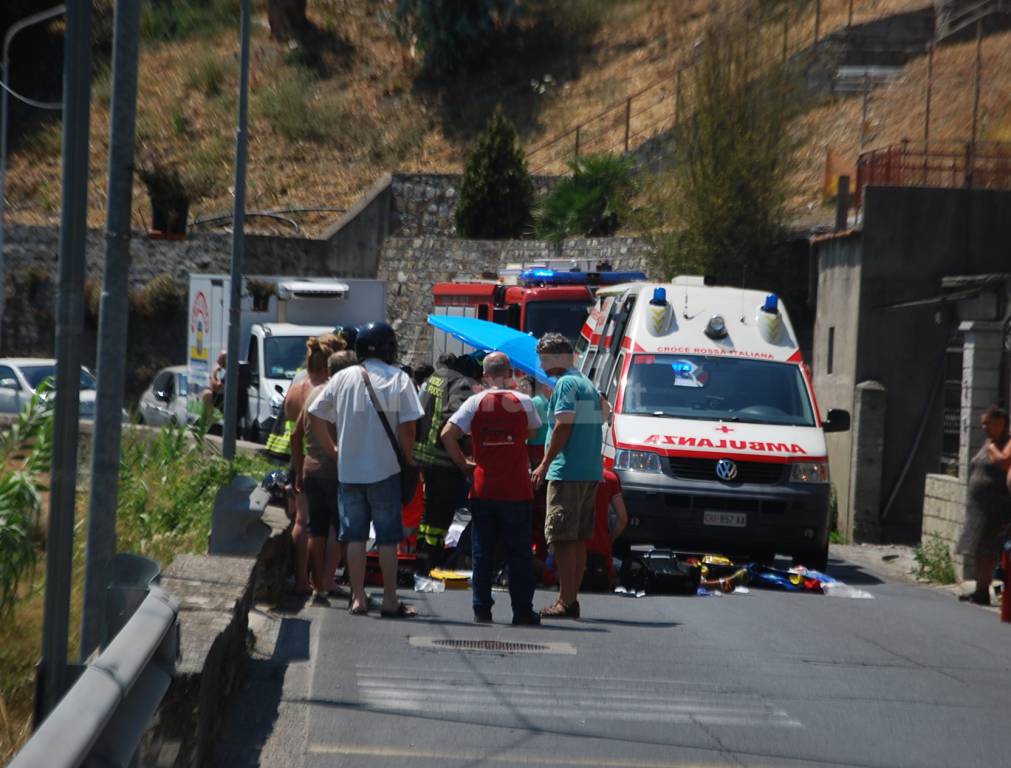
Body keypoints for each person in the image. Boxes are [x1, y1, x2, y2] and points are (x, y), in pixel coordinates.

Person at [308, 322, 424, 617]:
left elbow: (316, 414)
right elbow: (409, 426)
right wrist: (408, 458)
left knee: (355, 536)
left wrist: (334, 450)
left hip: (349, 471)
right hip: (386, 469)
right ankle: (388, 599)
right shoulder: (399, 378)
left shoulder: (343, 377)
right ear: (388, 348)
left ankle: (358, 598)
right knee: (387, 537)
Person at [441, 352, 543, 625]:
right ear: (510, 374)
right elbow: (534, 432)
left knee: (482, 551)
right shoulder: (523, 401)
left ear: (485, 376)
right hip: (516, 488)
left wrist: (464, 464)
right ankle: (522, 610)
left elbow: (447, 434)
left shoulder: (475, 402)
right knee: (519, 553)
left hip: (483, 487)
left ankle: (481, 608)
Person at [530, 333, 603, 619]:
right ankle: (571, 599)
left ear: (560, 357)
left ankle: (565, 600)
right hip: (588, 471)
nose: (542, 364)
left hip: (567, 469)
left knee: (561, 537)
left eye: (545, 358)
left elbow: (563, 425)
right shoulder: (587, 384)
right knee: (577, 538)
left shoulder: (565, 384)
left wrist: (544, 464)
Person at [278, 333, 345, 595]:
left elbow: (294, 432)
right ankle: (326, 579)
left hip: (301, 462)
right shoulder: (327, 391)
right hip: (328, 463)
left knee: (301, 521)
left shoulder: (296, 390)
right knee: (329, 526)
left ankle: (302, 580)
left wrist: (297, 467)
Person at [292, 349, 357, 605]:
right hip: (338, 471)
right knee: (343, 530)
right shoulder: (344, 396)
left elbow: (295, 435)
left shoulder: (313, 394)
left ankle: (318, 587)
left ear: (329, 370)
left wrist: (298, 470)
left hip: (311, 469)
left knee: (316, 529)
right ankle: (332, 580)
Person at [414, 353, 481, 568]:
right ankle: (431, 558)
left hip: (425, 456)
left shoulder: (436, 377)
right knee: (441, 515)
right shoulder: (461, 384)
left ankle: (423, 555)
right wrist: (465, 458)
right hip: (444, 460)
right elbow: (457, 421)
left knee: (430, 512)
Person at [956, 405, 1011, 605]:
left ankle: (983, 592)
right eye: (983, 424)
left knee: (988, 550)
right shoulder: (990, 442)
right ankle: (980, 590)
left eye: (988, 423)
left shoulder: (1005, 443)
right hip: (979, 508)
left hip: (996, 507)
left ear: (1001, 423)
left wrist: (992, 448)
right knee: (980, 550)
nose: (984, 428)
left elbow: (1005, 463)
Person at [519, 375, 551, 565]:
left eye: (523, 386)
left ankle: (534, 553)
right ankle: (543, 553)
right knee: (543, 508)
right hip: (544, 454)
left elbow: (528, 432)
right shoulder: (547, 403)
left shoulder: (533, 403)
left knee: (533, 507)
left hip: (533, 455)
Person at [584, 469, 628, 590]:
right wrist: (609, 540)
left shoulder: (571, 472)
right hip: (601, 552)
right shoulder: (610, 478)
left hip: (574, 550)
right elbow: (623, 519)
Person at [201, 350, 227, 417]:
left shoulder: (230, 373)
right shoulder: (228, 372)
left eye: (220, 360)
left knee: (207, 394)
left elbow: (216, 387)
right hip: (226, 398)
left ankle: (209, 422)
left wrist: (213, 372)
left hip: (228, 401)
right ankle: (206, 420)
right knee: (207, 392)